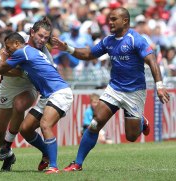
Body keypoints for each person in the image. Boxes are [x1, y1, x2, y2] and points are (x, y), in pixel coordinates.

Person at [52, 7, 170, 171]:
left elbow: (152, 61)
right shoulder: (108, 40)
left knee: (131, 136)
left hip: (134, 92)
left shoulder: (136, 40)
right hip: (114, 89)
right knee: (95, 123)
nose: (110, 22)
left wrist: (160, 86)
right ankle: (77, 163)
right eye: (110, 19)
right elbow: (88, 54)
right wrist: (68, 49)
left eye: (114, 19)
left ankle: (142, 121)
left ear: (125, 21)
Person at [0, 32, 73, 174]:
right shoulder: (31, 51)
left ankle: (54, 166)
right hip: (46, 95)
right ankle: (46, 153)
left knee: (45, 125)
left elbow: (0, 69)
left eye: (8, 46)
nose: (7, 50)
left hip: (59, 93)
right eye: (5, 48)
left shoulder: (22, 52)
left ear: (17, 43)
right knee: (25, 129)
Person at [0, 17, 54, 171]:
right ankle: (9, 156)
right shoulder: (18, 40)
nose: (42, 40)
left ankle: (7, 145)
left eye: (46, 38)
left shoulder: (46, 56)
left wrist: (13, 71)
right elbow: (0, 61)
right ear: (32, 32)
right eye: (40, 36)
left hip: (28, 88)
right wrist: (18, 72)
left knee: (19, 106)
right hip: (6, 87)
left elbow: (4, 67)